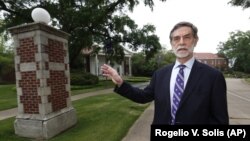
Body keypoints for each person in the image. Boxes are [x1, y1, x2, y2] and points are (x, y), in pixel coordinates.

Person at [101, 21, 229, 125]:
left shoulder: (213, 76)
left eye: (187, 37)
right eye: (176, 38)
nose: (181, 42)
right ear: (172, 43)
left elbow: (220, 120)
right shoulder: (160, 74)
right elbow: (143, 96)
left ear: (195, 40)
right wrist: (120, 83)